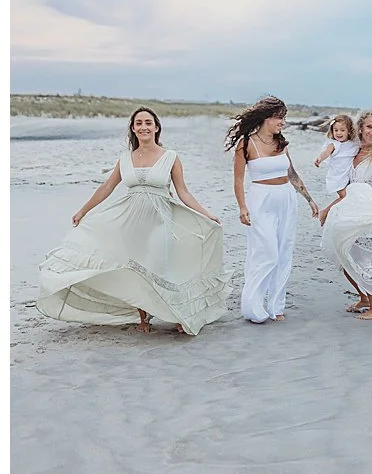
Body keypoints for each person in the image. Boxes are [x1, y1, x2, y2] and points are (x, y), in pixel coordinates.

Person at [36, 107, 226, 336]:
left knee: (161, 266)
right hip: (130, 222)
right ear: (133, 129)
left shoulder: (171, 157)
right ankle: (143, 318)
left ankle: (177, 315)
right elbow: (107, 187)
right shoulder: (125, 158)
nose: (144, 127)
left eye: (148, 123)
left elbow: (183, 192)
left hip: (160, 220)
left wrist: (206, 213)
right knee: (137, 270)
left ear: (156, 127)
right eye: (139, 123)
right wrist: (84, 210)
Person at [227, 96, 319, 323]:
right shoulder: (246, 144)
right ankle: (253, 307)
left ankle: (277, 306)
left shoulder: (281, 143)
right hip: (261, 200)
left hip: (286, 198)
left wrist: (309, 199)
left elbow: (292, 173)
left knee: (284, 252)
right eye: (280, 117)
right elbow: (238, 180)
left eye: (284, 118)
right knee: (266, 253)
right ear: (266, 118)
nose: (283, 122)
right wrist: (242, 207)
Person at [320, 110, 372, 321]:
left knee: (362, 260)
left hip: (369, 210)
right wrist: (327, 209)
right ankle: (363, 297)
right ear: (360, 127)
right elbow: (346, 189)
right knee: (343, 256)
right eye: (369, 127)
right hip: (348, 208)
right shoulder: (350, 152)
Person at [313, 114, 359, 202]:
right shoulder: (333, 144)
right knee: (344, 197)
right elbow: (326, 152)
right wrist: (320, 158)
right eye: (336, 130)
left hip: (349, 175)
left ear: (349, 131)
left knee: (351, 195)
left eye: (342, 130)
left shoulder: (353, 143)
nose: (338, 133)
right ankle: (327, 212)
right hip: (337, 175)